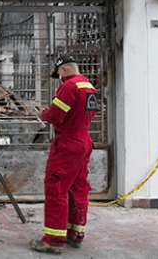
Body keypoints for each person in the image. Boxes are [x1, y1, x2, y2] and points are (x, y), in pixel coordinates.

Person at [30, 55, 99, 254]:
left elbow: (56, 115)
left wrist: (43, 113)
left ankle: (53, 240)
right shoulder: (88, 86)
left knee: (56, 187)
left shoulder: (69, 86)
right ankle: (75, 233)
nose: (59, 77)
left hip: (68, 143)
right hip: (83, 140)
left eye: (59, 73)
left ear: (65, 70)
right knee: (77, 188)